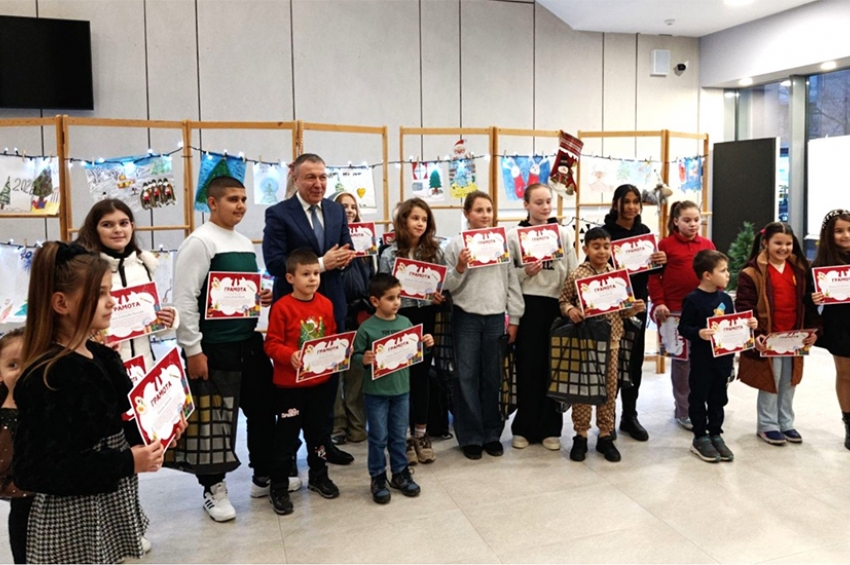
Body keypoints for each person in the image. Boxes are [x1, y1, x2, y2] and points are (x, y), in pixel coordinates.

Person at [13, 242, 177, 563]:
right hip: (70, 518)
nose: (112, 301)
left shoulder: (101, 356)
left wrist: (158, 431)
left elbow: (118, 424)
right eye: (100, 294)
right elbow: (36, 469)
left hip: (104, 503)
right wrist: (127, 462)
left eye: (109, 291)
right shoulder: (49, 376)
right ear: (61, 303)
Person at [172, 176, 277, 522]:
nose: (241, 205)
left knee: (263, 411)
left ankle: (263, 475)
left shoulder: (244, 243)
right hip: (214, 348)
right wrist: (193, 350)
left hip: (249, 343)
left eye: (244, 199)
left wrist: (258, 295)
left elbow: (236, 290)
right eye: (233, 199)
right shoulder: (199, 243)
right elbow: (185, 299)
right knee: (216, 421)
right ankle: (213, 487)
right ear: (213, 203)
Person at [263, 153, 356, 467]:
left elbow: (346, 251)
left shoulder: (335, 210)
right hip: (293, 312)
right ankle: (288, 454)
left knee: (327, 385)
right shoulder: (279, 214)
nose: (318, 183)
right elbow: (275, 263)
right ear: (296, 178)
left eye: (323, 177)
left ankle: (323, 444)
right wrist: (321, 264)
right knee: (293, 388)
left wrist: (343, 259)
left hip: (331, 307)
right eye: (310, 177)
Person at [443, 191, 524, 460]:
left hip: (495, 319)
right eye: (479, 210)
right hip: (466, 317)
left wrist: (514, 317)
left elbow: (511, 282)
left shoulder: (502, 242)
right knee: (466, 377)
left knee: (493, 378)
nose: (485, 215)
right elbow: (447, 285)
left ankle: (492, 433)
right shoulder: (456, 244)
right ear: (466, 213)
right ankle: (470, 436)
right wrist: (460, 266)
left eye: (489, 210)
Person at [263, 248, 343, 516]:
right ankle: (278, 486)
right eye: (306, 274)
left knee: (318, 435)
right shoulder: (282, 307)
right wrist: (290, 355)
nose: (312, 279)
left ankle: (319, 475)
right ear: (290, 278)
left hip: (320, 384)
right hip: (290, 387)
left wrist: (342, 350)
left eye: (316, 274)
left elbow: (331, 337)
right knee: (285, 439)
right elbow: (271, 344)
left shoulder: (326, 304)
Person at [559, 227, 646, 463]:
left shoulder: (618, 275)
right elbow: (563, 300)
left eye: (606, 246)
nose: (602, 251)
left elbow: (623, 310)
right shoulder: (577, 274)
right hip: (585, 342)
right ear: (585, 249)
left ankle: (605, 435)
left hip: (612, 342)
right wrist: (570, 309)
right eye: (596, 246)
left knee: (608, 389)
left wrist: (634, 308)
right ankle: (580, 435)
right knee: (584, 389)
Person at [506, 183, 578, 451]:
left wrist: (570, 304)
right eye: (538, 202)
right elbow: (507, 276)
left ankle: (550, 428)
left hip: (556, 306)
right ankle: (523, 427)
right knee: (528, 368)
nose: (545, 207)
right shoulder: (514, 236)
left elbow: (572, 270)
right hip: (528, 306)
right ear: (526, 205)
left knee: (554, 368)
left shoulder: (563, 233)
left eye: (548, 201)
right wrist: (525, 272)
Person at [353, 273, 434, 504]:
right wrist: (363, 359)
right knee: (378, 437)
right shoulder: (366, 328)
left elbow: (415, 353)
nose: (397, 302)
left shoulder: (405, 323)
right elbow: (355, 357)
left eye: (398, 297)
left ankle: (400, 473)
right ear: (375, 301)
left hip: (401, 391)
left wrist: (426, 346)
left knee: (399, 436)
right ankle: (378, 476)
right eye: (390, 298)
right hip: (376, 393)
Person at [736, 222, 817, 445]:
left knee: (789, 381)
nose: (783, 248)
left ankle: (786, 422)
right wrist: (754, 334)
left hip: (795, 337)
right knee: (771, 380)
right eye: (778, 243)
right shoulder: (751, 273)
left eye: (788, 243)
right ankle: (767, 424)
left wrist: (814, 330)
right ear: (765, 243)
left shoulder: (800, 269)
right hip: (768, 336)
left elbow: (808, 303)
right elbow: (744, 306)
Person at [378, 197, 445, 464]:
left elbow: (444, 284)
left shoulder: (435, 252)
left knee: (421, 377)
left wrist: (440, 296)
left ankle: (421, 433)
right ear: (403, 220)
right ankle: (403, 436)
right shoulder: (389, 254)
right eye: (415, 218)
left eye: (424, 219)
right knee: (400, 379)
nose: (420, 223)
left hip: (426, 317)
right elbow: (382, 290)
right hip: (399, 319)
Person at [76, 198, 179, 370]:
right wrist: (93, 342)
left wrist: (166, 320)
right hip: (103, 366)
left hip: (144, 367)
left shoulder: (145, 265)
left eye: (123, 223)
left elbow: (149, 323)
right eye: (107, 225)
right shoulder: (85, 270)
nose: (117, 230)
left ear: (132, 226)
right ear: (94, 230)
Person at [678, 250, 757, 463]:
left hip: (723, 360)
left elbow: (732, 324)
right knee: (698, 397)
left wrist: (748, 324)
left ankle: (715, 433)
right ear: (707, 275)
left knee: (718, 398)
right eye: (722, 270)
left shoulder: (725, 299)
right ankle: (700, 437)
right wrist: (699, 333)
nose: (728, 274)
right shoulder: (693, 300)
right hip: (702, 361)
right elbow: (683, 327)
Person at [603, 184, 666, 442]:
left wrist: (660, 262)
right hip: (611, 307)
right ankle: (607, 419)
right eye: (626, 201)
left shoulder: (644, 232)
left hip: (638, 304)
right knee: (610, 363)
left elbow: (650, 271)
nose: (631, 206)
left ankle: (630, 415)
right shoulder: (605, 233)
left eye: (635, 201)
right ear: (616, 203)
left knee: (633, 363)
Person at [648, 201, 715, 430]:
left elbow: (716, 273)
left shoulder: (707, 244)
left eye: (696, 219)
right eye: (687, 220)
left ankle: (700, 406)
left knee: (703, 362)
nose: (693, 224)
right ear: (676, 221)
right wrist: (659, 302)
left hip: (703, 311)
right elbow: (654, 278)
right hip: (674, 312)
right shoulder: (664, 245)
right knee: (682, 364)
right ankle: (683, 410)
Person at [329, 191, 373, 445]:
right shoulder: (327, 241)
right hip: (335, 313)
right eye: (343, 206)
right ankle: (337, 425)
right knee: (335, 373)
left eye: (352, 206)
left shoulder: (366, 242)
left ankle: (357, 424)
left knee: (357, 372)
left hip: (360, 314)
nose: (349, 210)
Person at [811, 209, 850, 449]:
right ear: (829, 234)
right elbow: (806, 298)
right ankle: (849, 423)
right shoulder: (821, 264)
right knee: (845, 374)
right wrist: (812, 297)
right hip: (841, 326)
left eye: (849, 230)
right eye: (839, 231)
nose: (846, 235)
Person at [0, 328, 31, 564]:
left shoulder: (50, 406)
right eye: (13, 365)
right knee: (22, 551)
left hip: (55, 495)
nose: (22, 371)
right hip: (20, 498)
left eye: (31, 362)